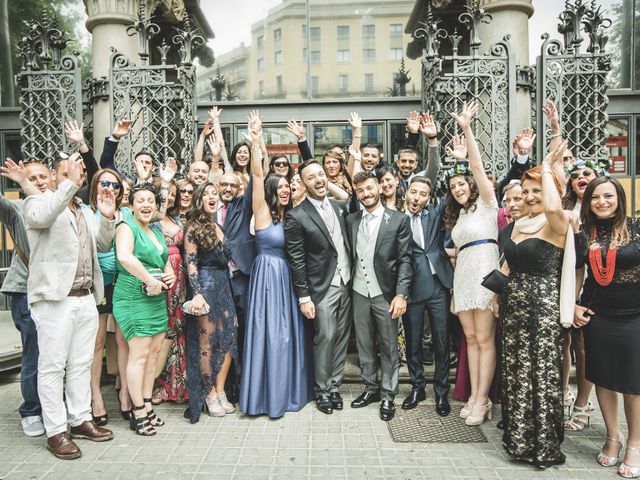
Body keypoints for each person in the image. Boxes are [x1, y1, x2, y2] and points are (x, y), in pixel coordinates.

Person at [23, 153, 115, 459]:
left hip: (86, 297)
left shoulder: (82, 210)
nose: (76, 177)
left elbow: (102, 244)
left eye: (78, 172)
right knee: (52, 367)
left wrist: (105, 215)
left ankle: (79, 419)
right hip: (55, 301)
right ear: (54, 176)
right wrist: (68, 187)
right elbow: (42, 218)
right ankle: (56, 431)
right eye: (68, 172)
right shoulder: (37, 202)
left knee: (80, 364)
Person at [496, 141, 574, 468]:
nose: (529, 197)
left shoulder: (556, 223)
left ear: (551, 191)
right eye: (525, 191)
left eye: (536, 190)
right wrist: (494, 298)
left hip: (542, 310)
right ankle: (519, 441)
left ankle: (543, 446)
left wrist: (546, 165)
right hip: (512, 309)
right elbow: (507, 265)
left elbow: (555, 209)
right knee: (516, 373)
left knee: (540, 374)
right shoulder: (515, 226)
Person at [239, 111, 313, 418]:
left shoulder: (294, 214)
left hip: (289, 277)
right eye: (279, 185)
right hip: (267, 277)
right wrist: (258, 140)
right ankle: (263, 397)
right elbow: (257, 174)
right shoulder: (262, 213)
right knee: (267, 333)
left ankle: (289, 391)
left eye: (288, 185)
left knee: (288, 335)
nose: (284, 189)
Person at [575, 177, 640, 477]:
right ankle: (613, 436)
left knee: (632, 383)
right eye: (595, 197)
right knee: (603, 379)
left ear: (619, 199)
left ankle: (635, 445)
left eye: (608, 196)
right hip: (597, 315)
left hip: (634, 315)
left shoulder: (637, 229)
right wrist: (575, 305)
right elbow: (576, 275)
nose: (602, 201)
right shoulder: (584, 233)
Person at [444, 102, 499, 426]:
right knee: (472, 340)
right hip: (463, 274)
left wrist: (466, 129)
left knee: (486, 338)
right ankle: (477, 395)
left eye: (462, 184)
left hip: (485, 271)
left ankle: (482, 399)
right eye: (453, 187)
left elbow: (477, 167)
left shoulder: (488, 205)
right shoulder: (460, 215)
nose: (458, 188)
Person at [285, 160, 352, 415]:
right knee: (325, 337)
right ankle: (322, 389)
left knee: (342, 337)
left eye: (321, 175)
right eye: (311, 177)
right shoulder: (296, 215)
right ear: (304, 183)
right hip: (321, 287)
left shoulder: (339, 207)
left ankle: (335, 386)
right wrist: (304, 296)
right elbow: (297, 259)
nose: (319, 180)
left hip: (347, 281)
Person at [346, 171, 412, 422]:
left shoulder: (398, 220)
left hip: (385, 292)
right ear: (356, 193)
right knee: (364, 344)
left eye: (370, 188)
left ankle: (388, 394)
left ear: (380, 188)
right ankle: (370, 388)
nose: (366, 194)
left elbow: (406, 260)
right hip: (359, 291)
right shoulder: (351, 220)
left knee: (388, 346)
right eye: (361, 190)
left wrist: (401, 294)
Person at [113, 183, 176, 436]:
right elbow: (125, 257)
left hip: (155, 297)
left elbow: (165, 261)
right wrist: (150, 280)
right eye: (141, 201)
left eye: (150, 200)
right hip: (133, 296)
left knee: (153, 354)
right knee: (138, 355)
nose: (147, 205)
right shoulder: (126, 227)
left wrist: (168, 276)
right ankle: (137, 411)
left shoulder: (155, 231)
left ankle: (148, 406)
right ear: (131, 204)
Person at [0, 159, 55, 437]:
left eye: (43, 176)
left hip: (56, 292)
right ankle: (31, 410)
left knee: (55, 355)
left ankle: (52, 407)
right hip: (26, 291)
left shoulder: (60, 208)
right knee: (34, 353)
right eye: (31, 178)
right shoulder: (18, 209)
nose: (39, 182)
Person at [183, 182, 238, 423]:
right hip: (204, 285)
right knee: (207, 342)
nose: (211, 196)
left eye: (214, 193)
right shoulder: (193, 227)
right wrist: (196, 293)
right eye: (206, 193)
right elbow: (191, 263)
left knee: (227, 341)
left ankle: (221, 388)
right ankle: (208, 393)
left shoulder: (219, 226)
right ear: (199, 200)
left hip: (223, 285)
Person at [402, 173, 454, 416]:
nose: (417, 197)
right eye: (414, 192)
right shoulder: (397, 218)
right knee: (413, 341)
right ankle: (417, 386)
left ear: (428, 197)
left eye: (423, 194)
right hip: (412, 287)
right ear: (406, 192)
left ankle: (442, 392)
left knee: (441, 341)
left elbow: (448, 188)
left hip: (438, 285)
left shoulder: (434, 213)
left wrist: (458, 159)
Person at [87, 168, 126, 426]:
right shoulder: (86, 214)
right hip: (98, 285)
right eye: (104, 183)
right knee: (98, 343)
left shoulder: (128, 214)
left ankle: (125, 394)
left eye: (114, 184)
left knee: (124, 341)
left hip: (122, 283)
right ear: (95, 186)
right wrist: (104, 215)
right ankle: (95, 398)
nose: (109, 188)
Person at [152, 177, 188, 405]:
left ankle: (178, 384)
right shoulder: (153, 220)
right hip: (161, 273)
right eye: (167, 192)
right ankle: (157, 383)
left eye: (174, 193)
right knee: (162, 328)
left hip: (180, 276)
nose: (171, 197)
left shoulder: (175, 218)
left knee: (178, 327)